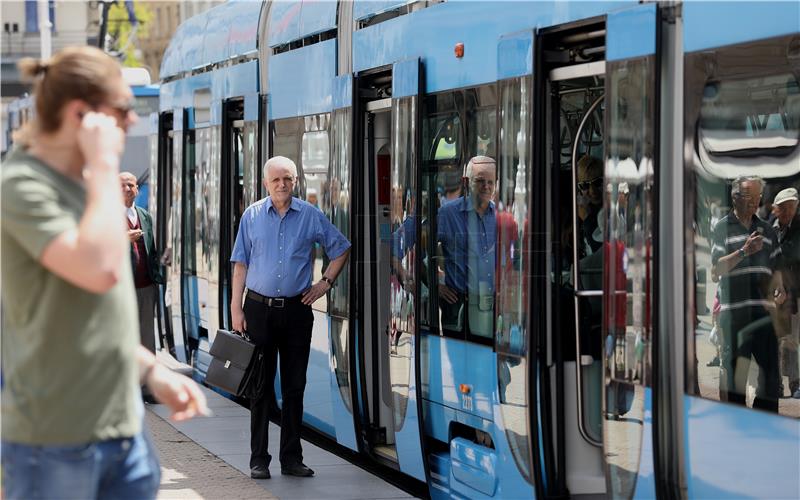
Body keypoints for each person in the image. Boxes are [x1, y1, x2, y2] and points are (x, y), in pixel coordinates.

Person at [1, 47, 207, 500]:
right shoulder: (22, 186)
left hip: (121, 428)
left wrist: (153, 370)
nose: (132, 122)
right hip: (56, 440)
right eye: (124, 109)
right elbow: (96, 271)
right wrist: (103, 167)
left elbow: (87, 316)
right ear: (81, 114)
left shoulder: (83, 186)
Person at [230, 156, 351, 480]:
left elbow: (340, 248)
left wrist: (324, 283)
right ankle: (259, 459)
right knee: (260, 387)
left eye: (288, 179)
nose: (282, 185)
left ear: (296, 181)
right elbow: (239, 264)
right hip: (258, 310)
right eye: (276, 180)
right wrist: (235, 308)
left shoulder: (311, 216)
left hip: (297, 311)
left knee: (295, 386)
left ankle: (291, 459)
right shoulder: (252, 216)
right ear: (266, 183)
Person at [711, 176, 785, 412]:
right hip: (735, 318)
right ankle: (736, 433)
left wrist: (780, 287)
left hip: (763, 316)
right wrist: (743, 251)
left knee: (771, 382)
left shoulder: (767, 230)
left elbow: (777, 269)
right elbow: (716, 270)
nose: (755, 203)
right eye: (749, 197)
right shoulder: (722, 227)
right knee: (735, 384)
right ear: (735, 197)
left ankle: (762, 427)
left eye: (758, 198)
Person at [437, 155, 497, 339]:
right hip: (458, 307)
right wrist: (435, 283)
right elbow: (418, 249)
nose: (486, 186)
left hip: (491, 308)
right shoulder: (447, 213)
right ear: (465, 181)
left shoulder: (500, 217)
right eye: (480, 181)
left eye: (490, 182)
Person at [120, 172, 164, 354]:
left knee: (146, 336)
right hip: (122, 287)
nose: (127, 189)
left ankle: (146, 379)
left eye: (131, 185)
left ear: (137, 190)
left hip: (146, 287)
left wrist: (155, 280)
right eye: (121, 185)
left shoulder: (144, 216)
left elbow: (151, 250)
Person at [771, 187, 800, 398]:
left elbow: (790, 254)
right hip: (775, 292)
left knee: (790, 340)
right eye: (785, 208)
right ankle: (777, 384)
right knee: (777, 339)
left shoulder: (798, 228)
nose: (789, 211)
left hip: (794, 293)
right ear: (777, 210)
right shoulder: (770, 229)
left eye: (792, 207)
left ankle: (794, 384)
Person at [576, 155, 604, 255]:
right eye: (585, 185)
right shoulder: (576, 214)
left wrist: (587, 220)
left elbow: (601, 255)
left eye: (598, 182)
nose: (592, 191)